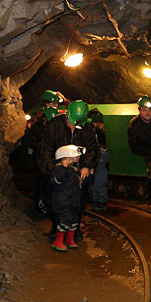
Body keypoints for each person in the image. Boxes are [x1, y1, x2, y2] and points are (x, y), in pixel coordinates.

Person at [38, 100, 99, 242]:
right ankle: (56, 229)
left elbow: (91, 149)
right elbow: (45, 150)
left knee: (77, 201)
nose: (74, 127)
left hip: (76, 172)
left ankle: (74, 229)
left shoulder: (86, 128)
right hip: (57, 170)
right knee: (56, 200)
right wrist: (53, 170)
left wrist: (86, 165)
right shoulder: (54, 125)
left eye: (77, 124)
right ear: (67, 115)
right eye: (72, 123)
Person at [50, 145, 86, 251]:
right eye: (76, 155)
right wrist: (64, 169)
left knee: (74, 221)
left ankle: (69, 240)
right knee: (64, 221)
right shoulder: (59, 169)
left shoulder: (74, 169)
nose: (78, 157)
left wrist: (88, 175)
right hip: (63, 202)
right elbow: (57, 181)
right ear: (67, 157)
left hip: (73, 201)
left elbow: (79, 183)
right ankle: (58, 241)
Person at [29, 106, 61, 216]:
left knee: (50, 187)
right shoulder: (37, 128)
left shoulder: (53, 129)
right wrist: (43, 145)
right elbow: (32, 143)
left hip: (49, 161)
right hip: (39, 161)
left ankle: (49, 208)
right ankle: (40, 207)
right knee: (40, 186)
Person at [87, 108, 110, 211]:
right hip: (94, 157)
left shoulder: (96, 130)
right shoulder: (93, 130)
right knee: (94, 184)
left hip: (98, 156)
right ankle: (97, 202)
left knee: (99, 183)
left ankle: (102, 202)